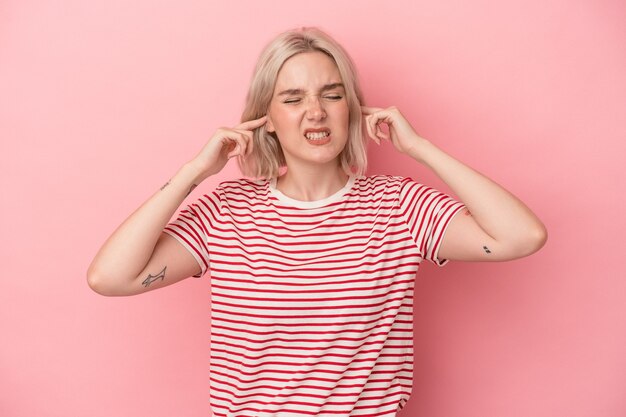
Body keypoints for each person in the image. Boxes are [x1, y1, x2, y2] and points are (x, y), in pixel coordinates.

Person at [87, 27, 546, 417]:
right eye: (293, 98)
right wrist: (195, 171)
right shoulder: (226, 212)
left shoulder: (400, 207)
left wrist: (420, 148)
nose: (316, 111)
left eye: (332, 94)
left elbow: (521, 236)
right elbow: (110, 277)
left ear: (353, 108)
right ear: (265, 118)